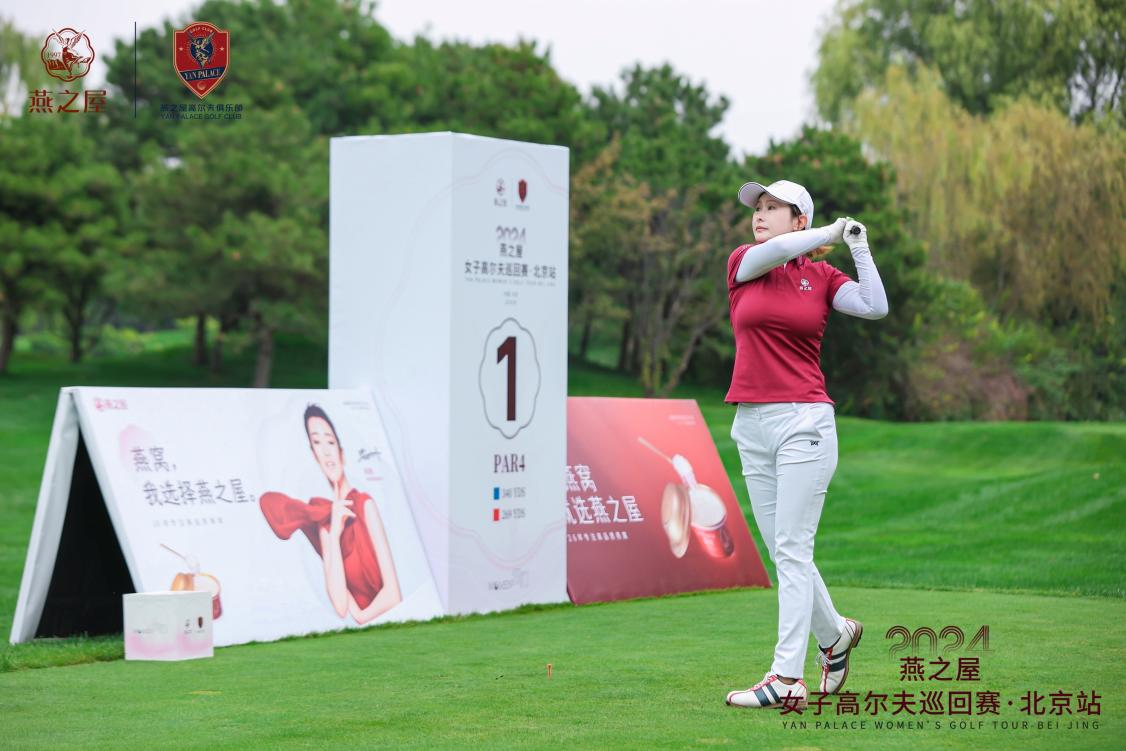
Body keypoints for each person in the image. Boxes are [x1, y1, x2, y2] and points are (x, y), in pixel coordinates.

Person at [722, 179, 888, 710]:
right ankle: (836, 635)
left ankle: (786, 677)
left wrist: (857, 246)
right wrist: (829, 231)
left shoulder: (821, 277)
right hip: (751, 424)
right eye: (758, 206)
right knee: (782, 549)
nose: (760, 214)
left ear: (799, 219)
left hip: (804, 421)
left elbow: (874, 306)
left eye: (774, 207)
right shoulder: (744, 263)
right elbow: (770, 253)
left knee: (792, 548)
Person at [260, 405, 402, 624]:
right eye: (317, 442)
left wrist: (362, 616)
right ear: (313, 454)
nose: (326, 451)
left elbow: (393, 594)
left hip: (389, 622)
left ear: (341, 452)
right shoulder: (325, 518)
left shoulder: (365, 505)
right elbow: (340, 605)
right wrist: (334, 534)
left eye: (330, 442)